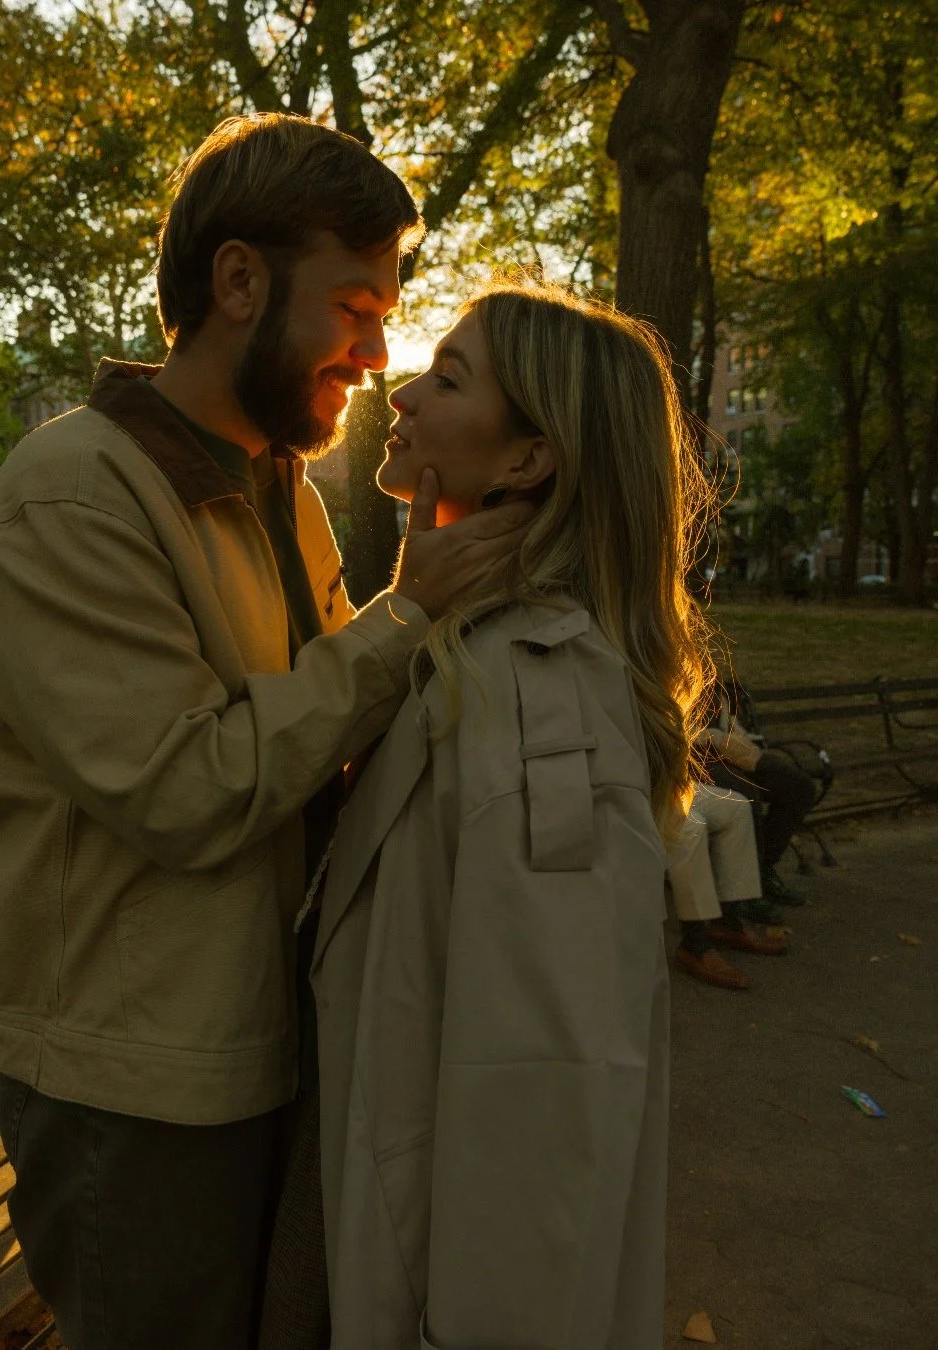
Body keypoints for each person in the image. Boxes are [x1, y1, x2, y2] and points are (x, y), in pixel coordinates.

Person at [0, 114, 533, 1350]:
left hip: (272, 1048)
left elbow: (321, 739)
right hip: (140, 1092)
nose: (379, 353)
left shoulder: (286, 494)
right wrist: (409, 613)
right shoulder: (75, 493)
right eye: (357, 305)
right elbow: (183, 788)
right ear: (237, 281)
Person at [310, 279, 711, 1349]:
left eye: (447, 377)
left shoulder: (535, 694)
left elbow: (547, 1095)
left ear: (530, 459)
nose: (397, 393)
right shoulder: (468, 657)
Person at [699, 679, 818, 918]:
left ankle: (763, 868)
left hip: (729, 748)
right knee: (744, 794)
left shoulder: (702, 662)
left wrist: (742, 742)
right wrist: (714, 738)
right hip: (697, 757)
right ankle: (744, 892)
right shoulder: (660, 661)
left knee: (798, 786)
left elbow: (725, 718)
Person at [670, 783, 789, 992]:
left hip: (665, 781)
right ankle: (694, 944)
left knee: (736, 807)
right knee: (691, 827)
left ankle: (727, 920)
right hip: (628, 791)